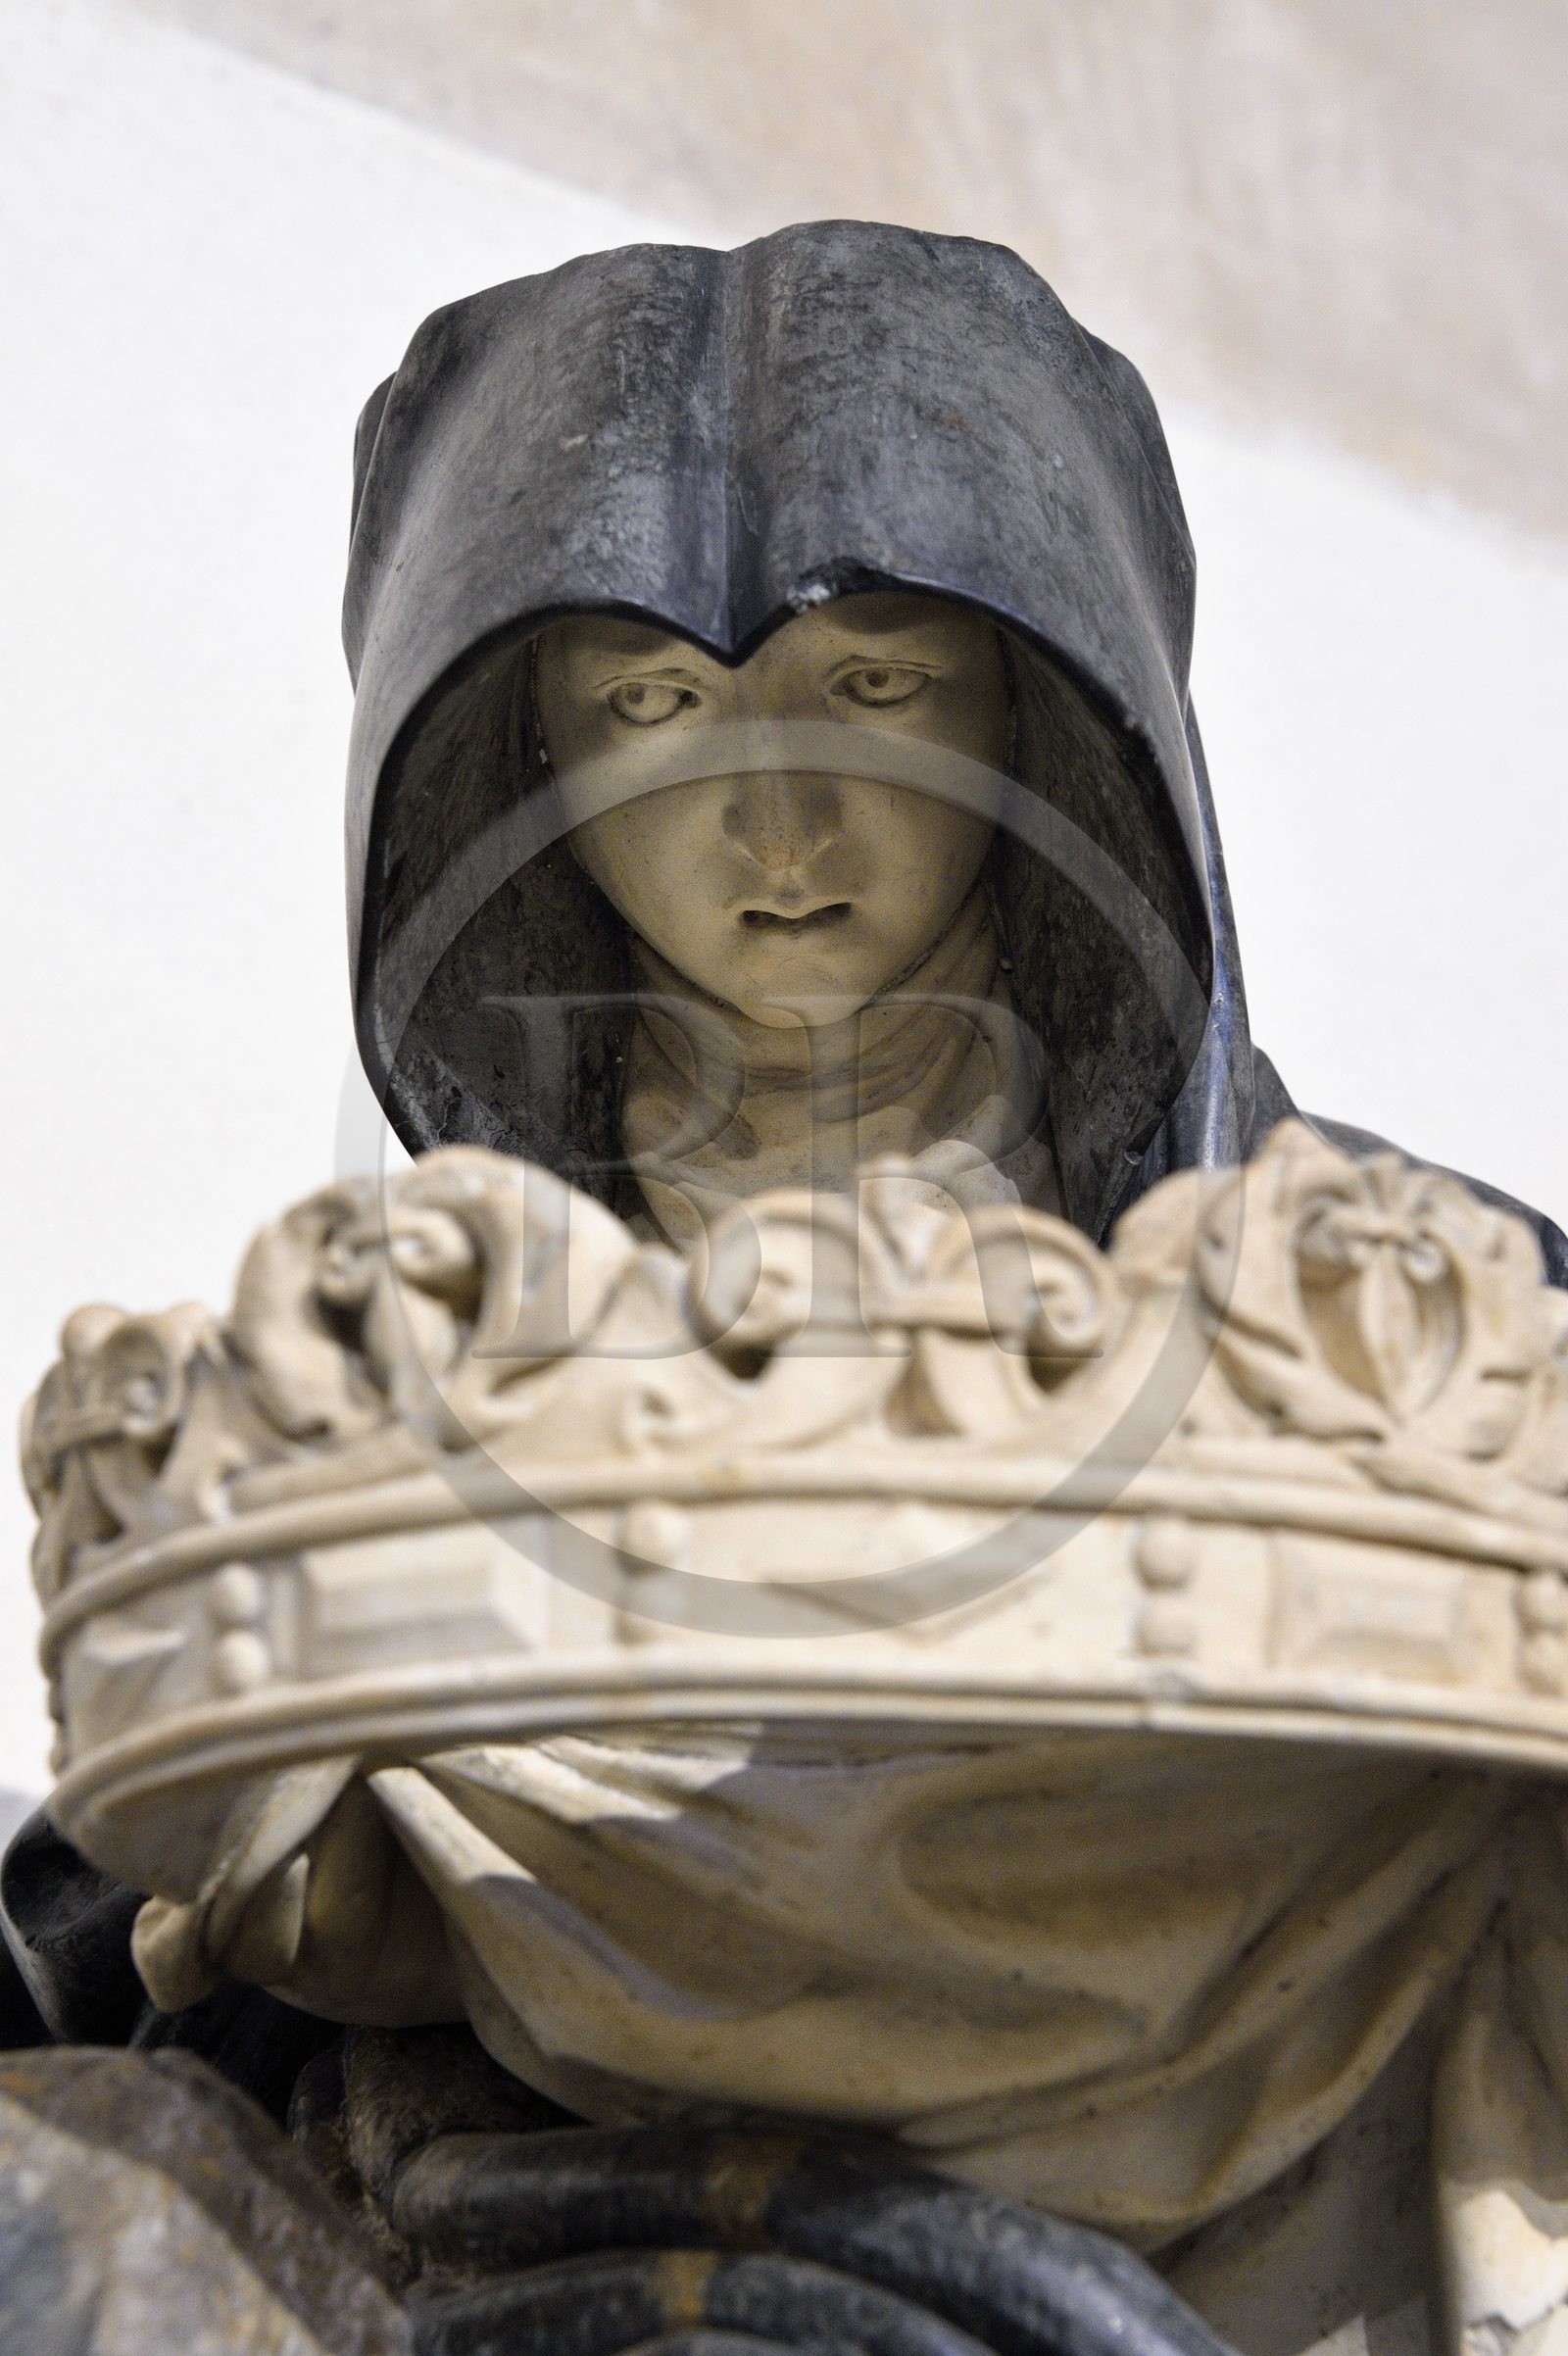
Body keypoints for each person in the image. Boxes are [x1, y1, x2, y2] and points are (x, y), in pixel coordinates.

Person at [6, 222, 1566, 2356]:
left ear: (1038, 708)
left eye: (876, 685)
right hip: (549, 2217)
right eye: (651, 708)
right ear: (522, 772)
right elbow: (148, 1907)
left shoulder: (1418, 1320)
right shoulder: (398, 1381)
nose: (776, 819)